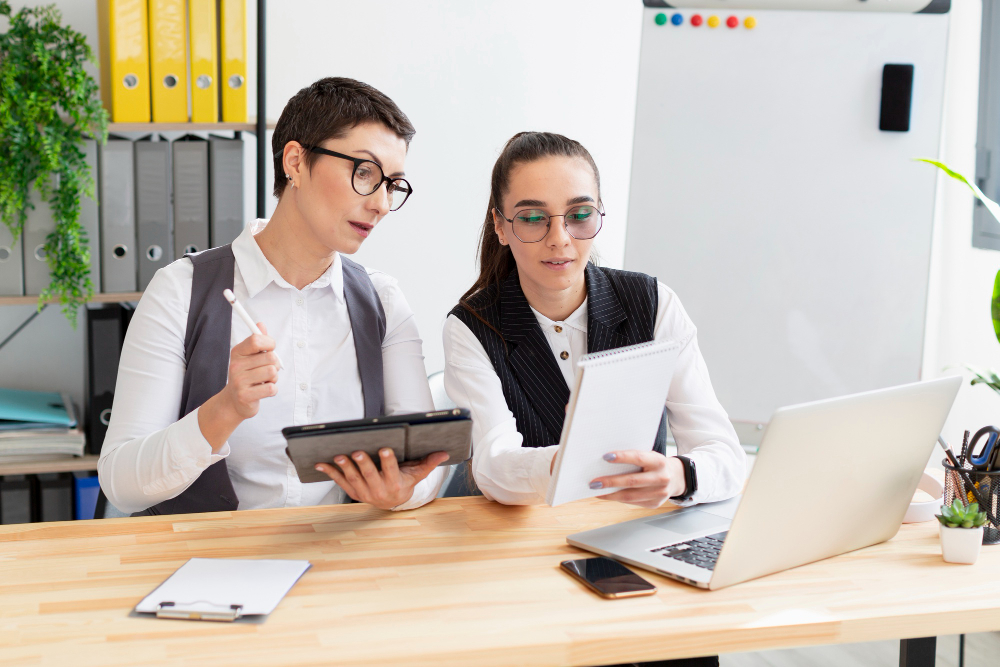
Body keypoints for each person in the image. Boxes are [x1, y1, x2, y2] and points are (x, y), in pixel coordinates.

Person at [443, 131, 744, 667]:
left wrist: (677, 476)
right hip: (526, 558)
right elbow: (490, 465)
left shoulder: (649, 303)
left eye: (579, 214)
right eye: (533, 218)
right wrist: (571, 463)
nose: (560, 239)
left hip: (640, 542)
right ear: (501, 224)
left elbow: (723, 452)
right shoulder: (474, 326)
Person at [99, 77, 448, 516]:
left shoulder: (383, 301)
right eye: (364, 173)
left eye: (393, 185)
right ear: (296, 162)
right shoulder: (180, 290)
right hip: (205, 562)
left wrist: (401, 492)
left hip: (337, 557)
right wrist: (225, 409)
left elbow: (426, 465)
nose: (380, 203)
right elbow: (120, 483)